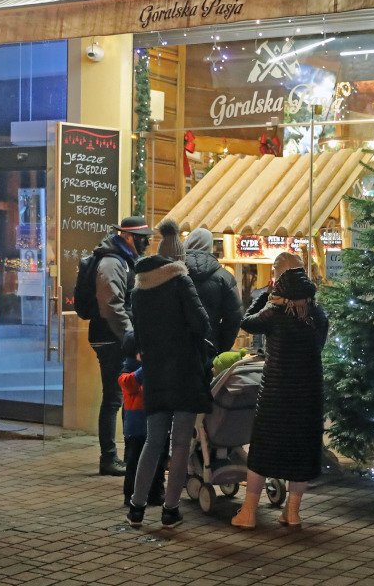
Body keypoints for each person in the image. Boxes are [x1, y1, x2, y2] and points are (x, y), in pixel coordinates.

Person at [231, 254, 328, 529]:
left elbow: (246, 321)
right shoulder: (318, 315)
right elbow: (318, 347)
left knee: (262, 451)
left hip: (276, 393)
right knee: (302, 451)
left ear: (280, 277)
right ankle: (293, 512)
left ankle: (248, 512)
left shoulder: (273, 314)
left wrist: (264, 296)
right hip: (308, 395)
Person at [126, 226, 211, 529]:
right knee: (179, 445)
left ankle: (136, 507)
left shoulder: (139, 288)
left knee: (153, 440)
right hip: (185, 372)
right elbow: (201, 324)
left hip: (155, 373)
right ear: (178, 258)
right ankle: (170, 510)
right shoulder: (180, 281)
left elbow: (135, 333)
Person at [89, 216, 154, 476]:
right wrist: (130, 337)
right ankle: (109, 457)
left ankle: (127, 453)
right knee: (115, 398)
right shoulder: (112, 262)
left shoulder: (121, 259)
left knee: (122, 396)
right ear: (128, 237)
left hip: (115, 336)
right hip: (111, 338)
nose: (147, 242)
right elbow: (111, 305)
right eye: (143, 238)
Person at [118, 333, 166, 508]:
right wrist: (146, 367)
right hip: (136, 429)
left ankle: (155, 493)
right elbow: (129, 383)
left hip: (151, 423)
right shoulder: (128, 372)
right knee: (134, 464)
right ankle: (130, 495)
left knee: (158, 461)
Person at [183, 227, 242, 354]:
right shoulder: (225, 277)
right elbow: (235, 317)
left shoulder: (170, 272)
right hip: (209, 347)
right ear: (210, 246)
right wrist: (220, 346)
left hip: (175, 348)